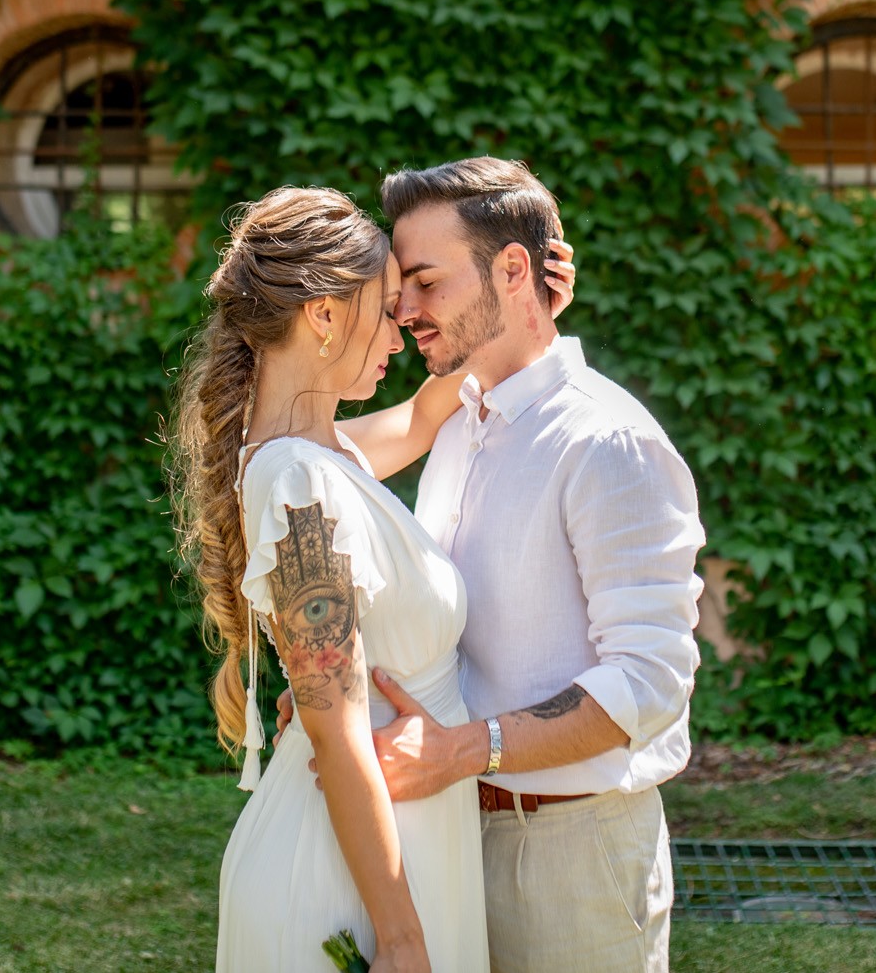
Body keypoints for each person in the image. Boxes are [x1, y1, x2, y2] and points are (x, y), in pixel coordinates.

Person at [285, 158, 705, 972]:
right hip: (450, 832)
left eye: (424, 283)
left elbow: (651, 680)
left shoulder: (606, 442)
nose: (403, 310)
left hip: (570, 856)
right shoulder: (459, 422)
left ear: (513, 269)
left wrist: (464, 750)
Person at [170, 185, 574, 973]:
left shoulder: (323, 457)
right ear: (323, 315)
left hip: (406, 841)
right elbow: (336, 730)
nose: (402, 330)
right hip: (347, 882)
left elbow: (430, 413)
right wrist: (400, 938)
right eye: (387, 308)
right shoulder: (297, 483)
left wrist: (523, 302)